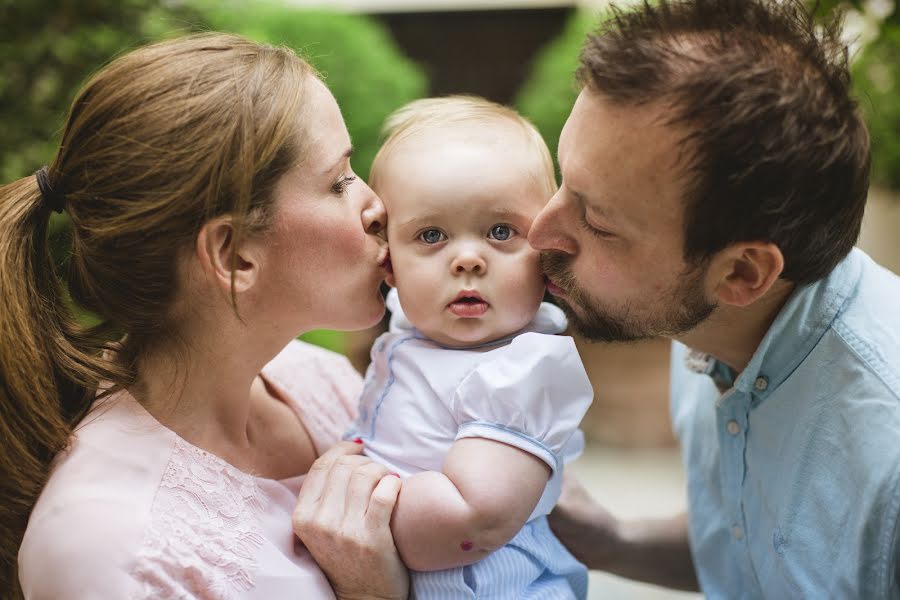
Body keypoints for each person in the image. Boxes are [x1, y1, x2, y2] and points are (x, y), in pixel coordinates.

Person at [1, 33, 408, 599]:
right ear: (233, 254)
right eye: (338, 181)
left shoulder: (322, 381)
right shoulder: (109, 549)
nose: (378, 206)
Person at [528, 0, 900, 597]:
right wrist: (613, 541)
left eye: (596, 221)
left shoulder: (889, 455)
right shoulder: (715, 323)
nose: (538, 232)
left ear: (743, 272)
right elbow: (766, 548)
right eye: (562, 178)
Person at [345, 96, 593, 598]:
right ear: (389, 263)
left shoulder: (524, 371)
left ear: (545, 252)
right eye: (431, 234)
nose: (467, 260)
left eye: (501, 231)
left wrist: (351, 500)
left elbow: (470, 524)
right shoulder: (412, 330)